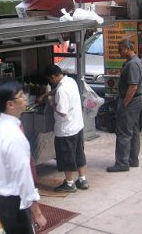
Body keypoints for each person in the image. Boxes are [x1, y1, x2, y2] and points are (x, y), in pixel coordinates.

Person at [0, 81, 47, 233]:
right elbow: (23, 176)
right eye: (21, 95)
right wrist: (37, 212)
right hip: (14, 200)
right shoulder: (14, 135)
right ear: (10, 104)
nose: (25, 98)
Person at [43, 64, 89, 192]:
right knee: (78, 153)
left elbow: (62, 112)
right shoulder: (70, 81)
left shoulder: (62, 91)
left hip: (66, 130)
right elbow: (56, 90)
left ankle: (69, 184)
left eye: (49, 80)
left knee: (66, 156)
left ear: (53, 77)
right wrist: (45, 95)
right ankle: (82, 179)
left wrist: (52, 103)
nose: (50, 82)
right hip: (77, 125)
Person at [107, 39, 142, 172]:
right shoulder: (134, 62)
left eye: (120, 50)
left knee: (124, 132)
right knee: (133, 130)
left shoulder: (133, 64)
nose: (119, 52)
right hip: (135, 100)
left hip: (131, 101)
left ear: (127, 49)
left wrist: (124, 103)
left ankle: (122, 163)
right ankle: (132, 159)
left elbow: (133, 87)